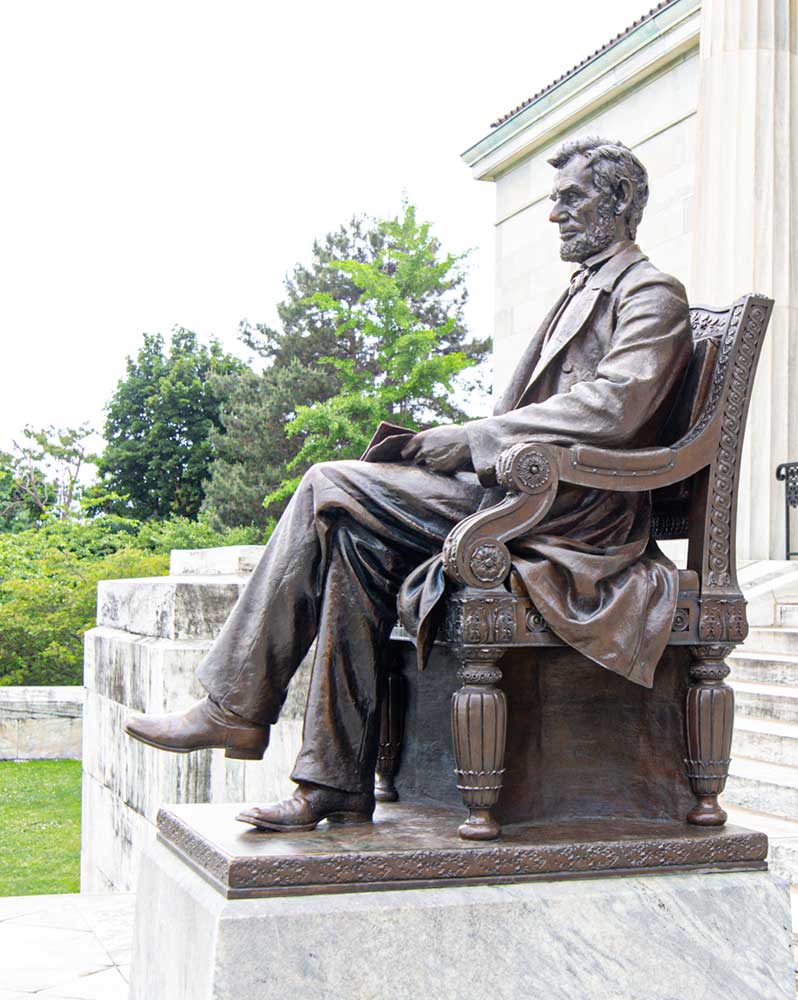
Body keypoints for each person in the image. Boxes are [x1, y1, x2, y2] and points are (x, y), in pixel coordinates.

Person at [125, 137, 693, 832]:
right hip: (526, 495)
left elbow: (615, 406)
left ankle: (234, 710)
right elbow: (552, 412)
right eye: (554, 201)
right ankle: (330, 782)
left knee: (327, 484)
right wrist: (457, 444)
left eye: (571, 199)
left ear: (623, 202)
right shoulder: (587, 289)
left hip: (569, 518)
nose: (555, 216)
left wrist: (474, 441)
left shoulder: (652, 293)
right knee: (355, 544)